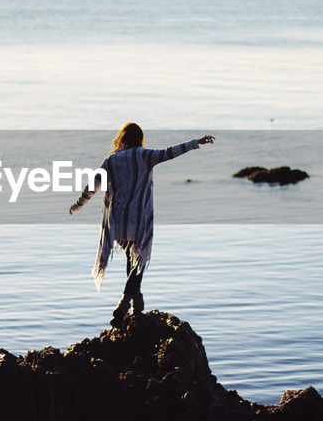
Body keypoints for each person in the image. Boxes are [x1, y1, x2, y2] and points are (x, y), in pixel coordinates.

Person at [69, 123, 214, 322]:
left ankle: (137, 303)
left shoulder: (111, 160)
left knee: (132, 258)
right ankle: (124, 302)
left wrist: (77, 205)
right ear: (140, 139)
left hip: (117, 222)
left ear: (122, 138)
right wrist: (195, 142)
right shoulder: (145, 156)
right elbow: (169, 153)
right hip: (139, 221)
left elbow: (92, 186)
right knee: (140, 260)